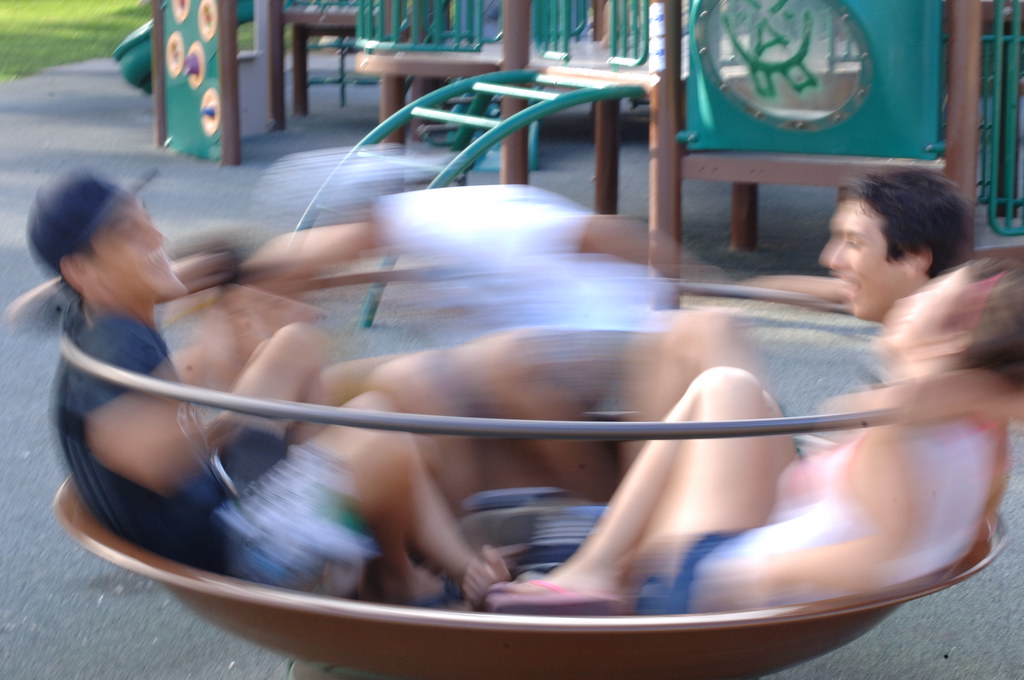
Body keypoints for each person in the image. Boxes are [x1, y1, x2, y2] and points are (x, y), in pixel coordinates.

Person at [29, 171, 507, 607]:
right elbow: (150, 459)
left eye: (148, 221)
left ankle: (403, 557)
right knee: (385, 441)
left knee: (303, 353)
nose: (157, 238)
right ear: (83, 272)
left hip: (222, 498)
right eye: (129, 233)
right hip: (240, 551)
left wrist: (199, 273)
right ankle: (401, 576)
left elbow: (46, 301)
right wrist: (208, 358)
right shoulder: (112, 344)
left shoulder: (94, 314)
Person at [483, 259, 1017, 615]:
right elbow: (964, 531)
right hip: (750, 544)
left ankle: (591, 568)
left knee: (724, 386)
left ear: (949, 339)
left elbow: (883, 555)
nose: (910, 303)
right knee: (746, 400)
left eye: (927, 298)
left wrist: (758, 575)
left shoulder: (898, 438)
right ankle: (578, 546)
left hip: (705, 580)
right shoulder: (987, 436)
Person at [746, 168, 973, 322]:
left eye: (854, 243)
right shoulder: (920, 296)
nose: (829, 259)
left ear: (912, 258)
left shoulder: (952, 357)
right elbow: (833, 291)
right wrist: (739, 289)